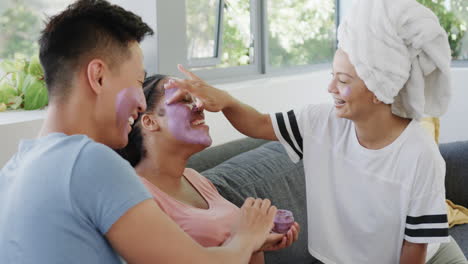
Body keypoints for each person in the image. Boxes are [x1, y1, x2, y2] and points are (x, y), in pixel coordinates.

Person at [163, 0, 468, 263]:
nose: (331, 88)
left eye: (343, 81)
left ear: (379, 89)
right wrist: (226, 100)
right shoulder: (322, 123)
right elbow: (257, 123)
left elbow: (414, 248)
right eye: (332, 76)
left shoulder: (418, 153)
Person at [0, 1, 278, 263]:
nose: (142, 102)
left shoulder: (13, 170)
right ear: (98, 76)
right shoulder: (90, 162)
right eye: (138, 81)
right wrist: (248, 236)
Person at [116, 75, 301, 264]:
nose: (199, 106)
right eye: (184, 100)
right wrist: (247, 238)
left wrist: (258, 241)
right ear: (150, 122)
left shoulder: (195, 179)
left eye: (196, 99)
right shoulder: (137, 196)